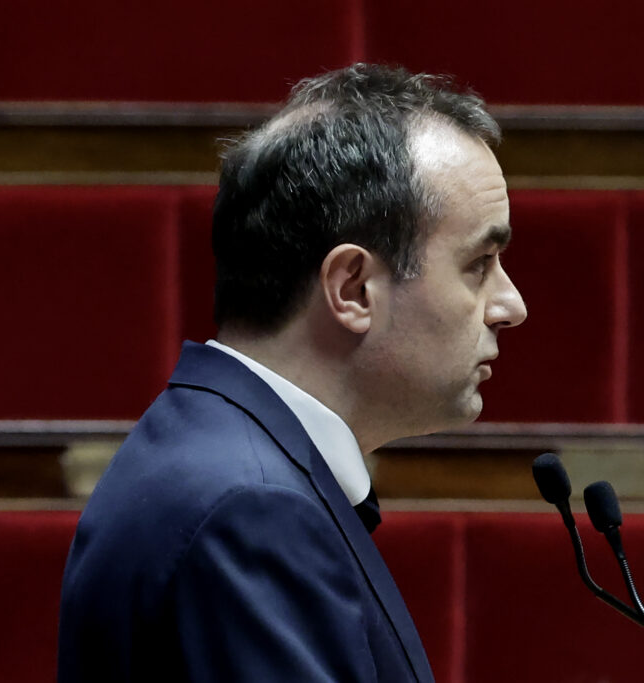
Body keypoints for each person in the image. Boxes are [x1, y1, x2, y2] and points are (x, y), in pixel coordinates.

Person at [57, 63, 527, 682]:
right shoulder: (253, 510)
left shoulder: (219, 452)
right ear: (353, 288)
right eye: (480, 263)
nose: (511, 306)